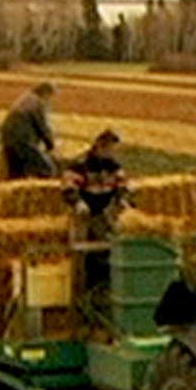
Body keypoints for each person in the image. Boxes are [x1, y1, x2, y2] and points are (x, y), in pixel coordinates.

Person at [62, 128, 129, 317]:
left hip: (104, 216)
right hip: (85, 216)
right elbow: (68, 188)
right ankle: (83, 302)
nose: (113, 154)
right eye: (110, 149)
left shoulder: (114, 166)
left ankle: (104, 297)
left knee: (108, 254)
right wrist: (78, 203)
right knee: (85, 258)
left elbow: (124, 186)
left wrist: (121, 200)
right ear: (100, 146)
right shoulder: (80, 165)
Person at [0, 81, 57, 178]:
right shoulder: (36, 102)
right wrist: (50, 144)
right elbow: (42, 126)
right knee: (45, 169)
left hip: (8, 138)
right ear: (45, 93)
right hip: (22, 138)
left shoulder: (24, 99)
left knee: (15, 172)